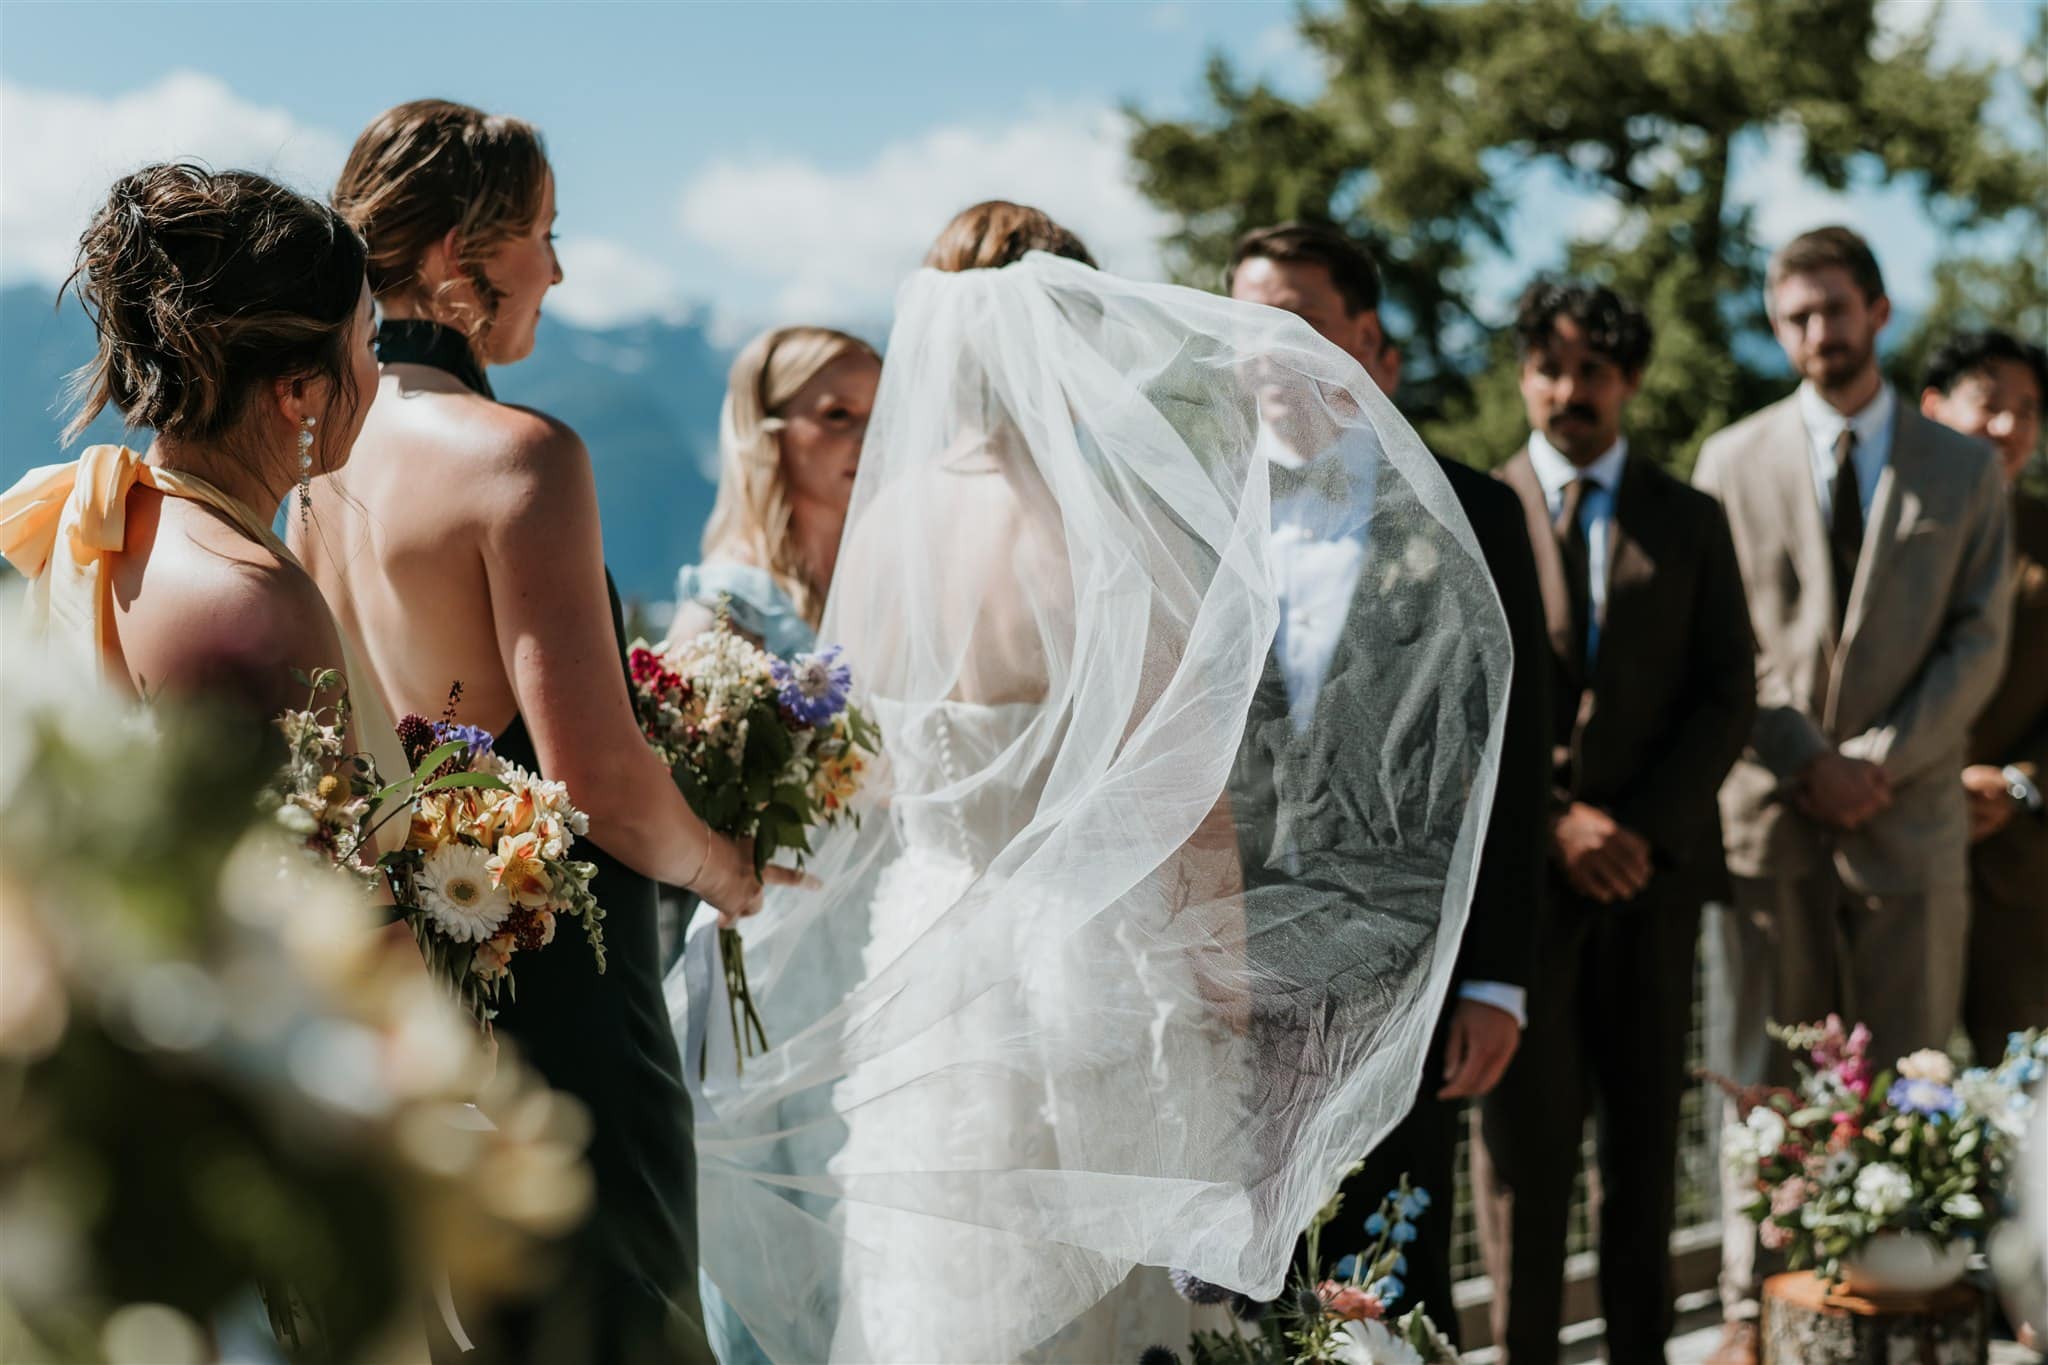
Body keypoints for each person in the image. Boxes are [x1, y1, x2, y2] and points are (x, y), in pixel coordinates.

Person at [680, 201, 1513, 1363]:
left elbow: (862, 778)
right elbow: (1183, 806)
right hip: (1095, 973)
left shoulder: (885, 525)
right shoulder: (1107, 526)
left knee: (942, 1293)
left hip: (929, 954)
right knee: (1103, 1305)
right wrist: (1227, 1003)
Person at [302, 99, 776, 1365]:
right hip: (565, 986)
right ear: (461, 260)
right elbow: (600, 786)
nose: (560, 272)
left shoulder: (309, 472)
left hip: (412, 972)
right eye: (545, 239)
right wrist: (727, 869)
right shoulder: (520, 460)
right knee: (619, 1324)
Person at [1693, 226, 2013, 1362]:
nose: (1815, 334)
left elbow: (1977, 639)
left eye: (1834, 309)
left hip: (1906, 818)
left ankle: (1901, 1296)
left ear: (1877, 312)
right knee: (1757, 1080)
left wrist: (1877, 759)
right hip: (1772, 817)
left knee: (1911, 1071)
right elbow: (1717, 643)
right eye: (1794, 316)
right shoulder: (1727, 461)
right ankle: (1747, 1307)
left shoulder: (1963, 468)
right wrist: (1803, 758)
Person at [1226, 220, 1550, 1338]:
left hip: (1411, 964)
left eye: (1299, 322)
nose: (1271, 353)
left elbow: (1514, 756)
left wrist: (1495, 978)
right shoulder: (1196, 518)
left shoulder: (1475, 513)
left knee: (1394, 1276)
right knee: (1239, 1282)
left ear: (1364, 338)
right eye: (1248, 326)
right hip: (1239, 963)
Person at [1473, 280, 1754, 1363]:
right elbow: (1457, 701)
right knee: (1521, 1164)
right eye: (1547, 366)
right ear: (1521, 375)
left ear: (1627, 379)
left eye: (1590, 369)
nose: (1566, 390)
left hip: (1652, 883)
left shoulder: (1689, 519)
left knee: (1640, 1160)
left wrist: (1630, 830)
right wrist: (1553, 826)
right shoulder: (1471, 507)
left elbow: (1726, 692)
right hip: (1518, 899)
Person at [1919, 329, 2048, 1065]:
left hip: (2022, 876)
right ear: (1934, 408)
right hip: (1893, 856)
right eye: (1990, 403)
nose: (2011, 426)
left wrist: (2022, 783)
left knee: (2028, 1110)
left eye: (2028, 410)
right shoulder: (1887, 530)